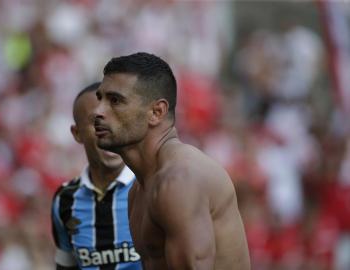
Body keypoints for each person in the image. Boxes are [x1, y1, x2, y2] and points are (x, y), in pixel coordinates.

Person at [93, 52, 250, 269]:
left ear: (157, 112)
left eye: (115, 101)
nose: (98, 111)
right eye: (100, 99)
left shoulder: (178, 180)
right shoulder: (139, 190)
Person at [51, 82, 142, 270]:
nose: (109, 131)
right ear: (77, 134)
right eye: (96, 122)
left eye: (118, 120)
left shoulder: (151, 187)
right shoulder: (65, 200)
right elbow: (65, 265)